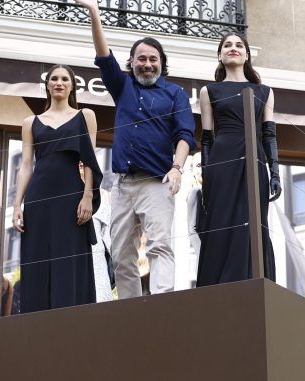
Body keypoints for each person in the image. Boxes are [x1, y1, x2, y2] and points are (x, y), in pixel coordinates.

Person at [75, 0, 196, 299]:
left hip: (157, 183)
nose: (147, 64)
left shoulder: (175, 94)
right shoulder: (123, 86)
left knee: (159, 245)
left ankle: (162, 303)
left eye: (153, 59)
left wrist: (177, 168)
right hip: (124, 184)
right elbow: (104, 55)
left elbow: (185, 135)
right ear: (131, 62)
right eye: (141, 59)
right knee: (120, 251)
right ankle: (130, 309)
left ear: (161, 63)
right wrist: (94, 12)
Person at [12, 64, 102, 313]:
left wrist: (87, 196)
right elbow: (26, 166)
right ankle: (37, 321)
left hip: (72, 194)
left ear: (73, 85)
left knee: (69, 257)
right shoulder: (30, 122)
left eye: (65, 79)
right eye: (54, 78)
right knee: (37, 257)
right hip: (38, 197)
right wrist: (17, 204)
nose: (59, 82)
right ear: (47, 85)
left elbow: (91, 160)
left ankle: (72, 318)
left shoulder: (86, 115)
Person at [197, 33, 280, 286]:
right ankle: (218, 288)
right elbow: (207, 138)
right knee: (221, 221)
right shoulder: (208, 90)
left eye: (239, 45)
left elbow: (269, 135)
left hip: (255, 161)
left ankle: (254, 281)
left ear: (246, 55)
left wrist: (275, 172)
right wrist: (207, 174)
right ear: (220, 55)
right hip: (222, 162)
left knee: (254, 220)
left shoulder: (264, 92)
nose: (233, 48)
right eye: (227, 45)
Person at [186, 153, 205, 257]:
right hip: (204, 253)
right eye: (198, 165)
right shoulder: (195, 192)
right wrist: (202, 253)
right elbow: (192, 230)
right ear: (192, 171)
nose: (202, 168)